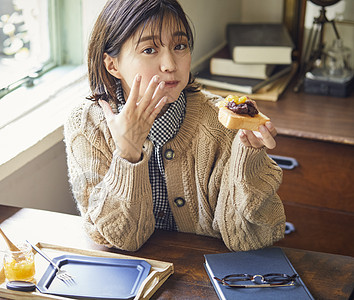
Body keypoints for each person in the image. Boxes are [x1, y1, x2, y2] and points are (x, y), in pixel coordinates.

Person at [64, 0, 285, 252]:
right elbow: (120, 240)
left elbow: (247, 239)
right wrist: (128, 153)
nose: (170, 64)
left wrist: (248, 158)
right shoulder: (87, 125)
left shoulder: (223, 122)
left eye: (180, 46)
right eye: (149, 50)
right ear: (112, 65)